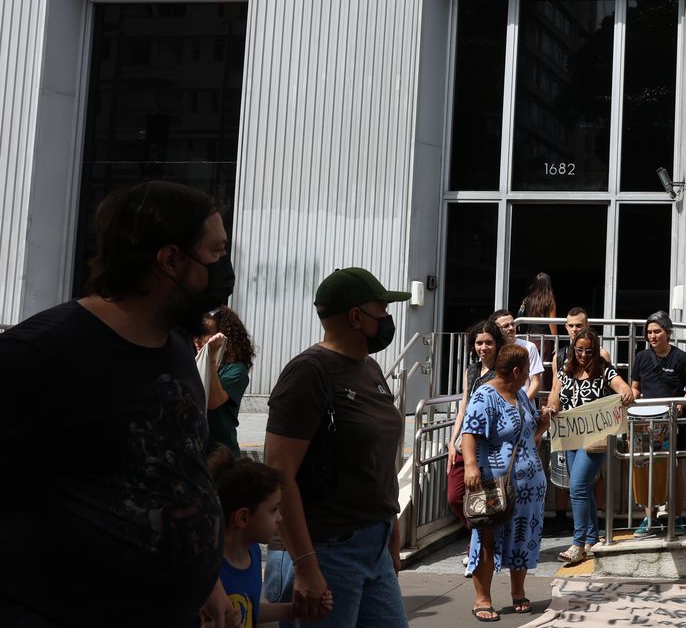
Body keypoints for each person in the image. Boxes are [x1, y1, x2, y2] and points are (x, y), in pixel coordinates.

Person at [0, 182, 234, 627]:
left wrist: (208, 581)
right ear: (170, 260)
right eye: (217, 254)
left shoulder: (178, 349)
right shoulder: (40, 354)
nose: (226, 270)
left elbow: (179, 470)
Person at [263, 267, 410, 625]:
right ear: (356, 317)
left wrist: (389, 523)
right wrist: (305, 566)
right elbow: (279, 475)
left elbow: (374, 457)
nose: (388, 319)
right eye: (383, 310)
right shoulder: (308, 373)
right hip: (326, 550)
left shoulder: (371, 369)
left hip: (373, 543)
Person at [461, 343, 548, 622]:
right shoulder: (484, 396)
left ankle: (518, 591)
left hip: (528, 486)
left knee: (522, 537)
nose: (529, 377)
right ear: (515, 371)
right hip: (494, 484)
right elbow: (469, 432)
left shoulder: (520, 395)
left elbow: (530, 428)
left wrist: (543, 421)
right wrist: (471, 466)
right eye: (526, 372)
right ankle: (482, 598)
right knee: (487, 538)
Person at [546, 328, 635, 564]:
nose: (584, 355)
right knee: (583, 487)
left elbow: (624, 388)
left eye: (589, 350)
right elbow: (554, 395)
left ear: (596, 351)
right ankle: (592, 537)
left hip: (594, 441)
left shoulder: (604, 371)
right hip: (570, 437)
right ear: (573, 350)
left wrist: (626, 394)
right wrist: (553, 406)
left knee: (577, 487)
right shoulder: (565, 369)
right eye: (579, 350)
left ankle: (577, 544)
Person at [210, 453, 308, 627]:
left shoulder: (253, 552)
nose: (279, 518)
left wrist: (292, 610)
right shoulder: (210, 571)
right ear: (243, 517)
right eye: (274, 509)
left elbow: (250, 610)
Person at [630, 311, 686, 536]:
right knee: (647, 469)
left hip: (674, 422)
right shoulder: (641, 358)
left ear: (667, 332)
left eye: (657, 331)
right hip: (646, 423)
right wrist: (628, 402)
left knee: (676, 469)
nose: (653, 336)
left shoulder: (680, 357)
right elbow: (635, 388)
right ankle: (649, 519)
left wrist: (680, 404)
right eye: (649, 332)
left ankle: (676, 517)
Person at [448, 320, 507, 528]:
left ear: (497, 343)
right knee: (454, 496)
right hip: (464, 442)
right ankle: (473, 535)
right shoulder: (471, 370)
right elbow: (463, 407)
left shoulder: (503, 372)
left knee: (487, 500)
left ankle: (477, 545)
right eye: (479, 343)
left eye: (489, 342)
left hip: (488, 446)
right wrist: (452, 441)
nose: (483, 348)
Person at [199, 306, 257, 457]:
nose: (198, 339)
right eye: (196, 332)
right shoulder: (194, 361)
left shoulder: (236, 370)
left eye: (206, 333)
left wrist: (210, 358)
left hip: (221, 457)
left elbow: (214, 402)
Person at [492, 309, 547, 396]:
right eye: (506, 326)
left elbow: (535, 382)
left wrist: (522, 404)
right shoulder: (492, 350)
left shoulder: (529, 347)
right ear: (496, 329)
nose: (511, 328)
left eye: (512, 324)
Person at [516, 271, 561, 362]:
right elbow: (552, 323)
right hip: (544, 339)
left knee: (529, 366)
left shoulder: (527, 299)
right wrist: (556, 340)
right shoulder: (549, 300)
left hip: (529, 338)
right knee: (543, 366)